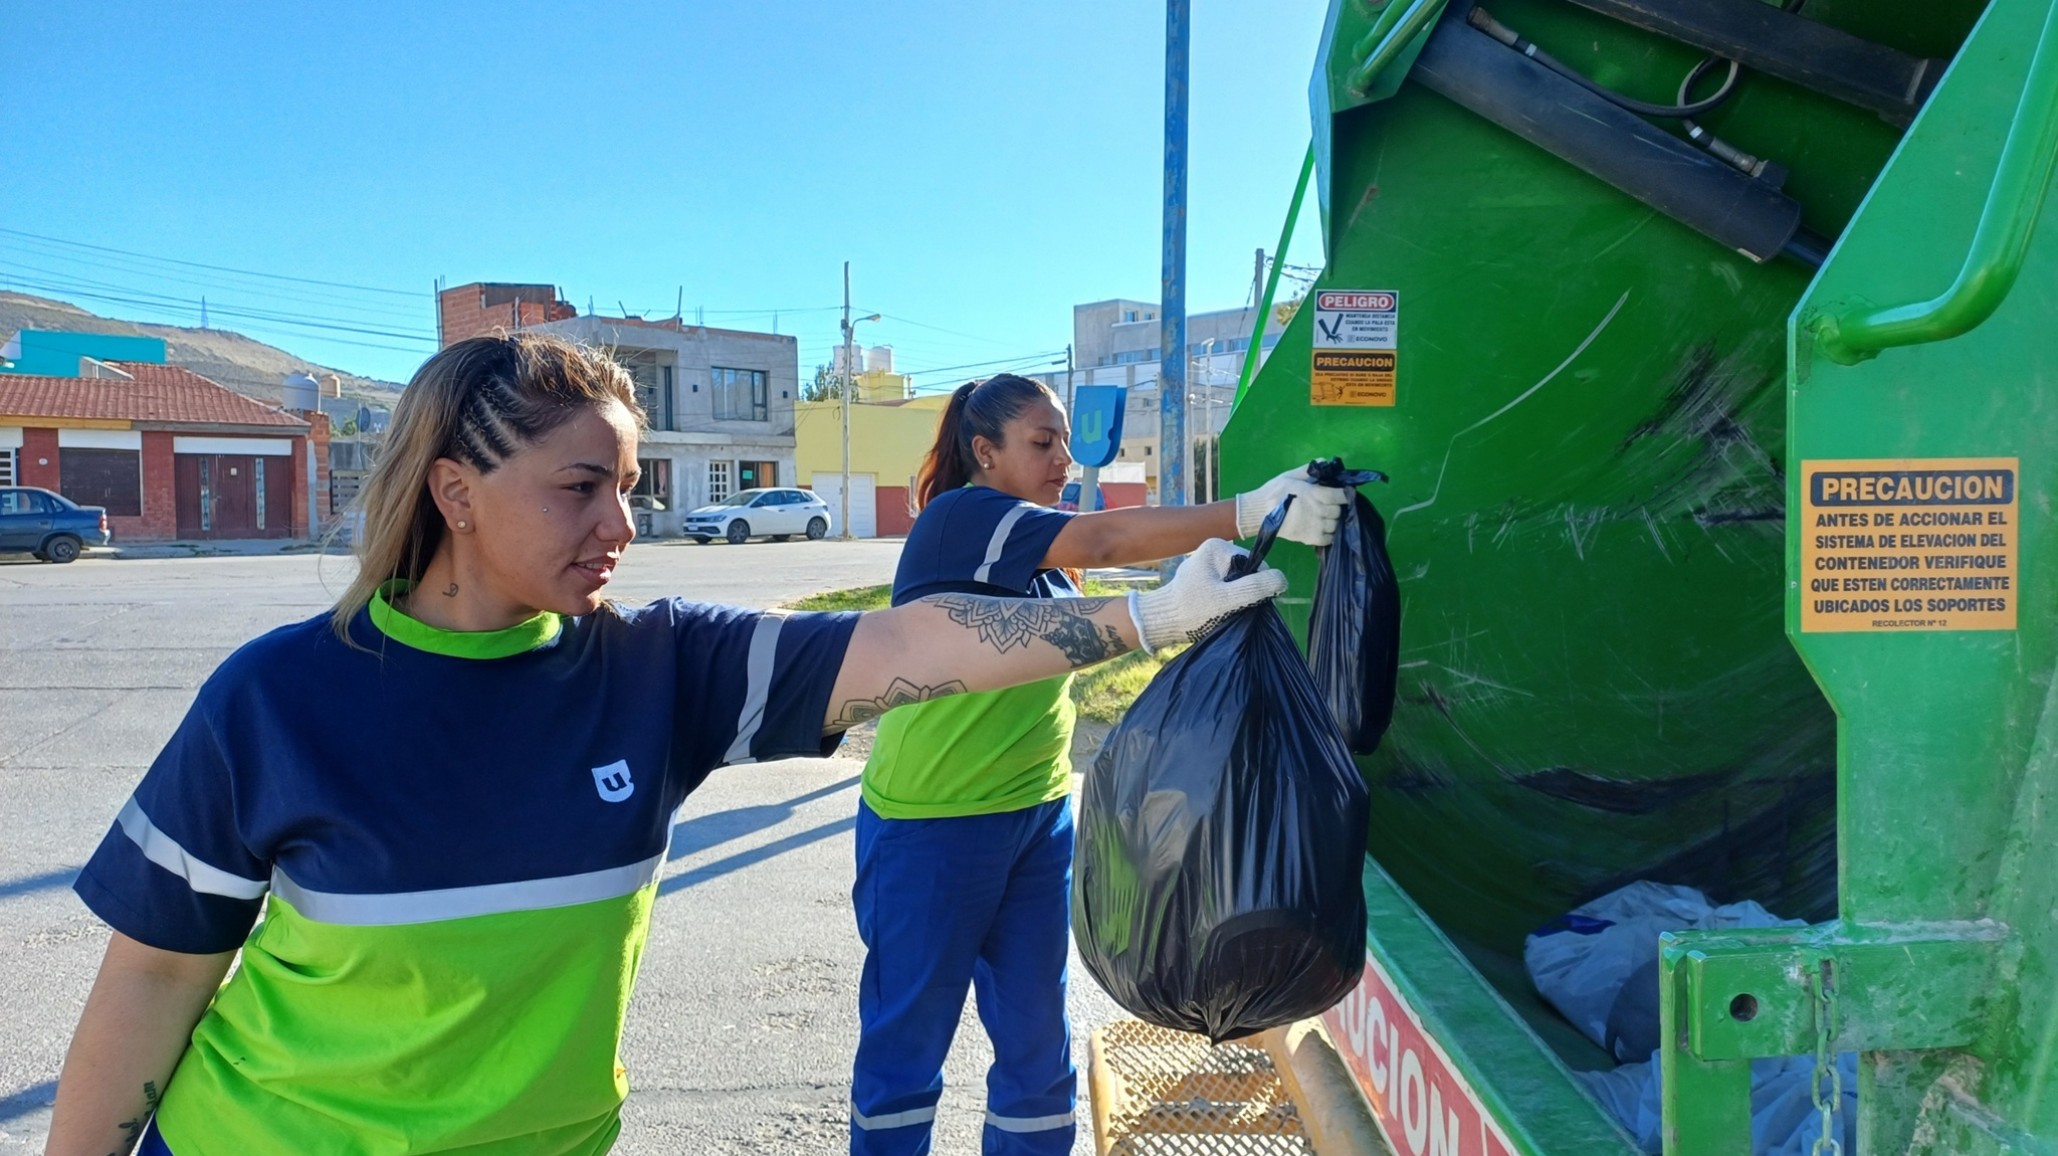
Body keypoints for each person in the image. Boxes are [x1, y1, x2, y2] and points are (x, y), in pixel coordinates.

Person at [45, 335, 1286, 1156]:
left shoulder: (656, 670)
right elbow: (153, 981)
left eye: (630, 487)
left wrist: (1145, 618)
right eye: (580, 486)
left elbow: (904, 644)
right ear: (454, 491)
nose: (622, 524)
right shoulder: (281, 698)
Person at [849, 373, 1346, 1156]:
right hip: (931, 824)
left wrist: (1204, 588)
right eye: (1041, 443)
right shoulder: (959, 519)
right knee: (905, 1049)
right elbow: (1104, 539)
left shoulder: (1040, 555)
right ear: (985, 451)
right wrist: (1248, 510)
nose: (1062, 459)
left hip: (1036, 818)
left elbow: (1096, 607)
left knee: (1038, 1045)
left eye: (1064, 443)